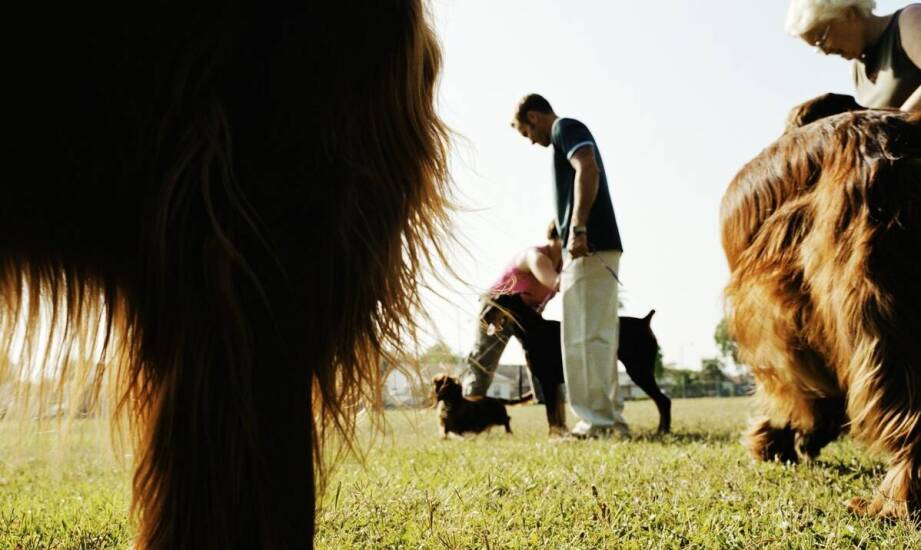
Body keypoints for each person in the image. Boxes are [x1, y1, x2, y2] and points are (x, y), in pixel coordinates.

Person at [510, 94, 627, 439]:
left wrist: (578, 228)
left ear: (533, 116)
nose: (530, 142)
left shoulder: (565, 128)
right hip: (593, 247)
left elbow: (587, 166)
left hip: (588, 246)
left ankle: (597, 423)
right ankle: (606, 420)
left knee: (584, 336)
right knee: (591, 336)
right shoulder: (563, 133)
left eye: (525, 132)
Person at [462, 221, 563, 397]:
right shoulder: (536, 256)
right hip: (498, 307)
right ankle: (471, 403)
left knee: (543, 355)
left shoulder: (563, 265)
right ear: (558, 235)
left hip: (526, 313)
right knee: (485, 360)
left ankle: (544, 403)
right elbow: (555, 283)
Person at [786, 0, 921, 111]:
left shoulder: (908, 20)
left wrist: (895, 120)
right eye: (816, 48)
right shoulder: (857, 69)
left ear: (849, 14)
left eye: (821, 39)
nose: (825, 52)